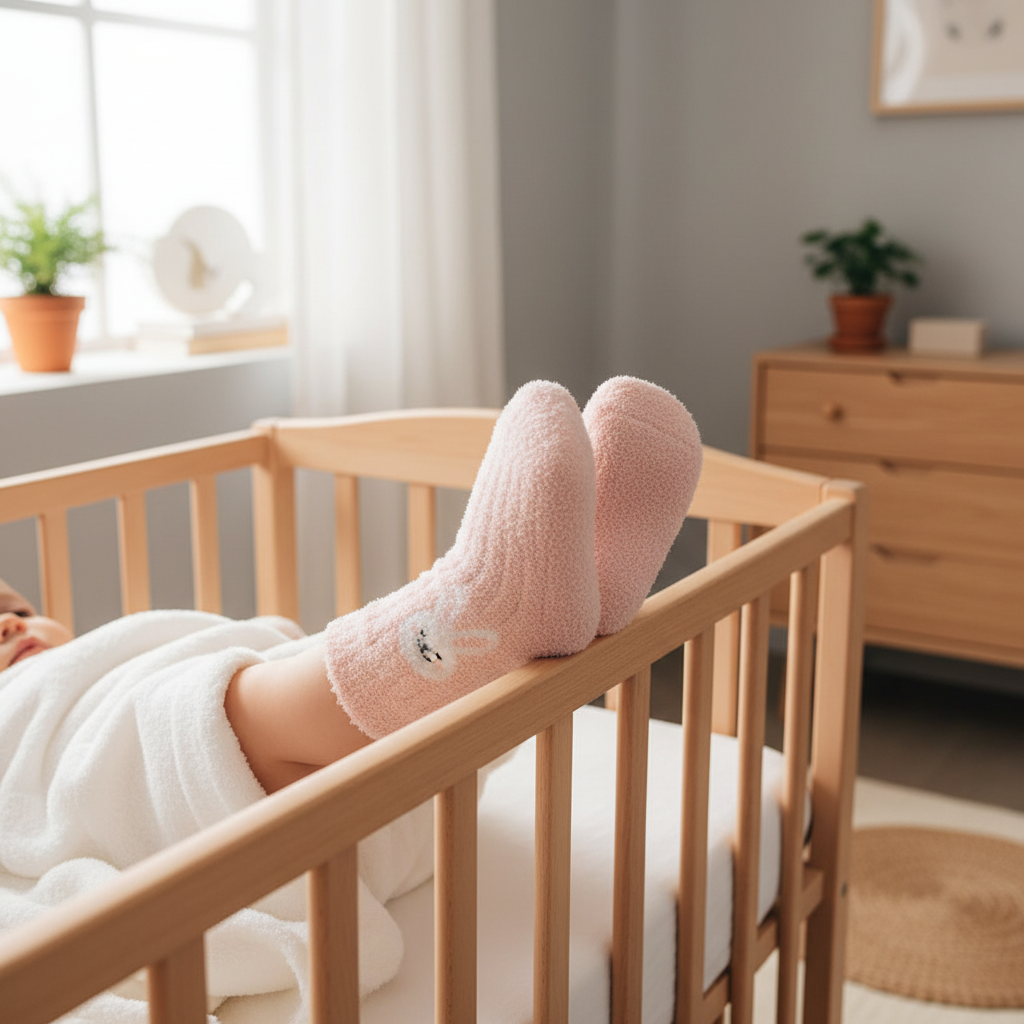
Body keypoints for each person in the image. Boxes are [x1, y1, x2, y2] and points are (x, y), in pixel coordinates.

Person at [0, 377, 702, 796]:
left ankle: (561, 603)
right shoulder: (37, 713)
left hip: (333, 779)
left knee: (244, 675)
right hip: (153, 761)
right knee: (208, 711)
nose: (9, 624)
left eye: (17, 609)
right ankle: (491, 605)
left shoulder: (104, 664)